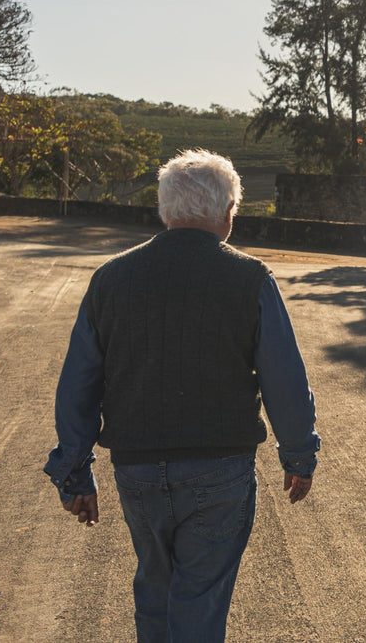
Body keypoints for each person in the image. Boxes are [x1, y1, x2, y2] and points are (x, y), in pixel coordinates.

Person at [44, 149, 321, 643]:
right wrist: (299, 454)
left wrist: (74, 471)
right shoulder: (251, 278)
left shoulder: (110, 278)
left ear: (166, 209)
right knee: (199, 600)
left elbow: (79, 383)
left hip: (136, 469)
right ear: (228, 211)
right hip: (219, 469)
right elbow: (285, 376)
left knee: (155, 588)